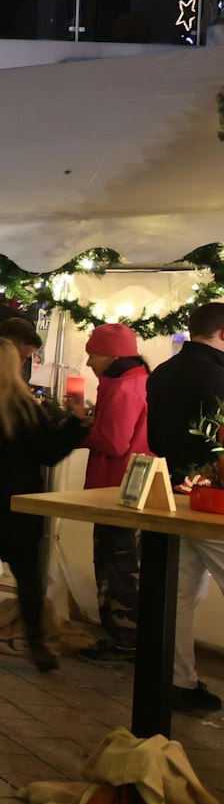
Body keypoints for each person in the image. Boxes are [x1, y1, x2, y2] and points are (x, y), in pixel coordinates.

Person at [0, 336, 89, 673]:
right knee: (27, 576)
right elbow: (49, 452)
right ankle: (36, 643)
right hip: (18, 502)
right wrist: (76, 423)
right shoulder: (23, 409)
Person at [148, 302, 224, 713]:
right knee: (182, 592)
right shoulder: (218, 373)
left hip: (171, 488)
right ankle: (178, 680)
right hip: (213, 496)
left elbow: (156, 437)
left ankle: (178, 679)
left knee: (179, 594)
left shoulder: (163, 371)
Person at [76, 323, 150, 665]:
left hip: (115, 489)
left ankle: (125, 640)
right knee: (122, 563)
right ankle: (125, 638)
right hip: (124, 487)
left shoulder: (122, 388)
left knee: (116, 564)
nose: (89, 362)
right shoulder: (136, 381)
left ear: (110, 354)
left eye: (93, 354)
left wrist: (79, 428)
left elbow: (114, 442)